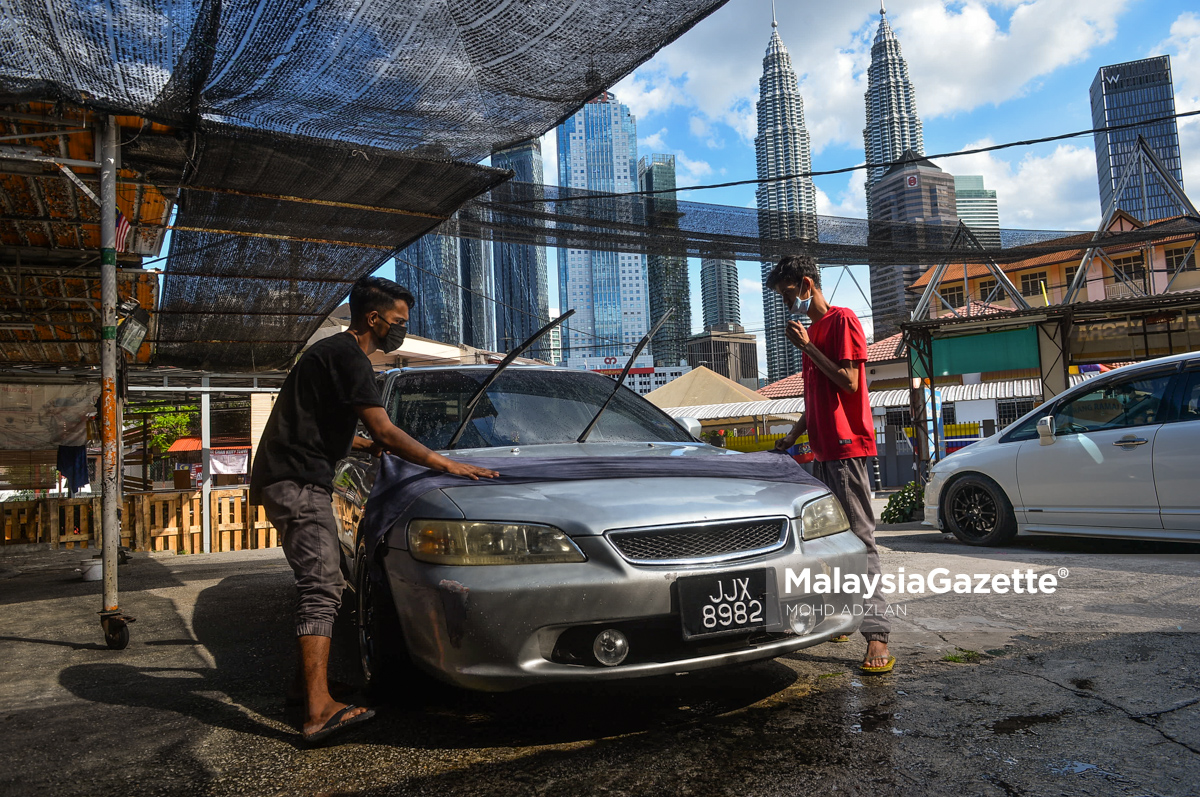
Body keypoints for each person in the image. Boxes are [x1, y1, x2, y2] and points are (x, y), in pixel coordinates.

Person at [249, 276, 499, 744]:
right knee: (322, 586)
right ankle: (319, 712)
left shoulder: (329, 354)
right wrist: (446, 463)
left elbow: (326, 424)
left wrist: (361, 445)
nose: (401, 329)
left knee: (318, 585)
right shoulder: (350, 357)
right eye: (399, 321)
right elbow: (385, 430)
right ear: (373, 318)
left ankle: (305, 688)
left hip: (289, 474)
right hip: (299, 481)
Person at [766, 255, 894, 674]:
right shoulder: (811, 331)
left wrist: (807, 347)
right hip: (821, 450)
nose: (788, 304)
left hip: (846, 448)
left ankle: (876, 634)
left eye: (789, 294)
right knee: (825, 543)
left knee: (860, 539)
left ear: (807, 284)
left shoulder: (841, 320)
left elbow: (849, 381)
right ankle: (840, 614)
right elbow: (816, 395)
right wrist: (792, 436)